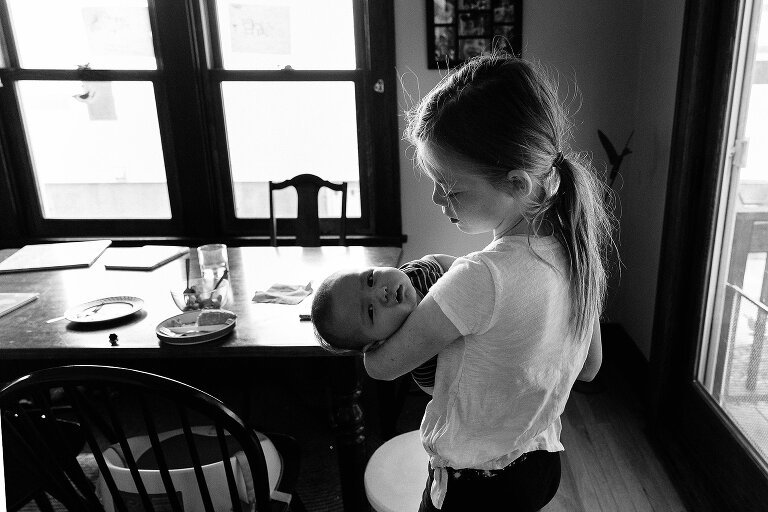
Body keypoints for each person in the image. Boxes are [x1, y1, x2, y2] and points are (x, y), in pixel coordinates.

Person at [364, 52, 613, 511]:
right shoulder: (576, 250)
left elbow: (383, 367)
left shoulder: (479, 278)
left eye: (450, 188)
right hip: (539, 464)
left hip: (474, 487)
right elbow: (590, 366)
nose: (436, 198)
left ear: (517, 183)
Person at [311, 254, 456, 392]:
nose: (381, 292)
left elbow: (435, 260)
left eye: (370, 280)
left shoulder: (415, 273)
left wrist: (459, 265)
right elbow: (451, 391)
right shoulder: (421, 362)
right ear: (378, 344)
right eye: (370, 311)